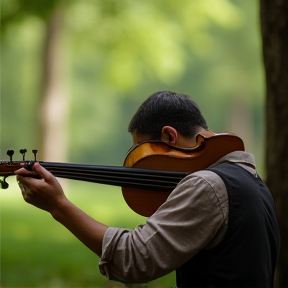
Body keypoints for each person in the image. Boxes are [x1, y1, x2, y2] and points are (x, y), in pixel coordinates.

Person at [16, 91, 280, 288]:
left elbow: (134, 259)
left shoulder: (209, 186)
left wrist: (58, 205)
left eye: (144, 150)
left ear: (169, 136)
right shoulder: (249, 178)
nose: (147, 167)